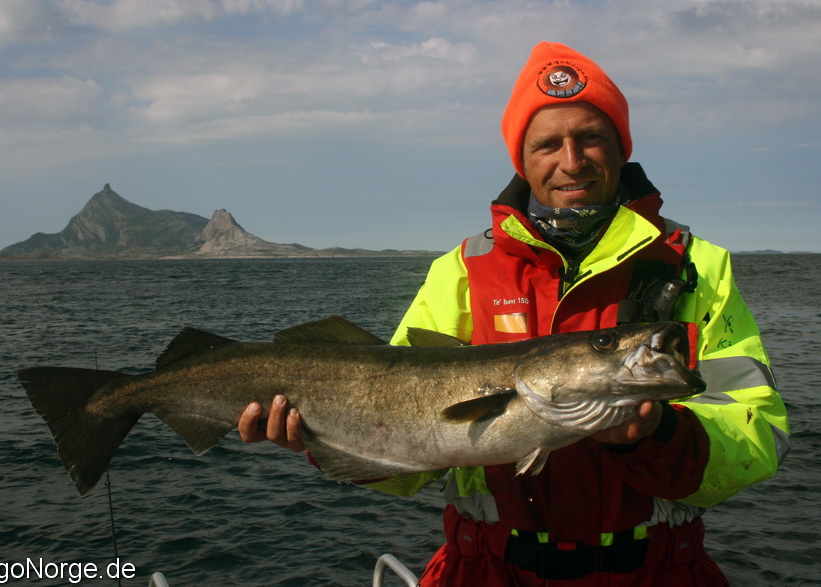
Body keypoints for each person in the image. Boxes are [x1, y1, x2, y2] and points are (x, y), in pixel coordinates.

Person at [239, 42, 790, 586]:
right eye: (547, 144)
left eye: (591, 137)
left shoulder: (696, 266)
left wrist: (657, 435)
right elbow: (407, 458)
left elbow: (759, 437)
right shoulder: (462, 269)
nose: (571, 161)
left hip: (659, 571)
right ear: (522, 161)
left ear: (621, 149)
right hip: (485, 570)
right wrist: (324, 438)